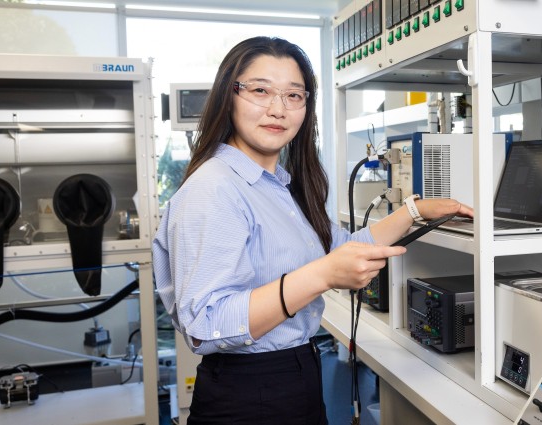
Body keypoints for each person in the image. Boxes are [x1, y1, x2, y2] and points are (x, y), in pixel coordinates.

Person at [153, 36, 472, 425]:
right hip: (249, 394)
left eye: (293, 96)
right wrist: (322, 275)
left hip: (294, 373)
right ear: (229, 95)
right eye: (260, 90)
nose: (277, 108)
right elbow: (206, 323)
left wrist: (414, 211)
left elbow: (337, 248)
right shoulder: (214, 188)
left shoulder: (275, 185)